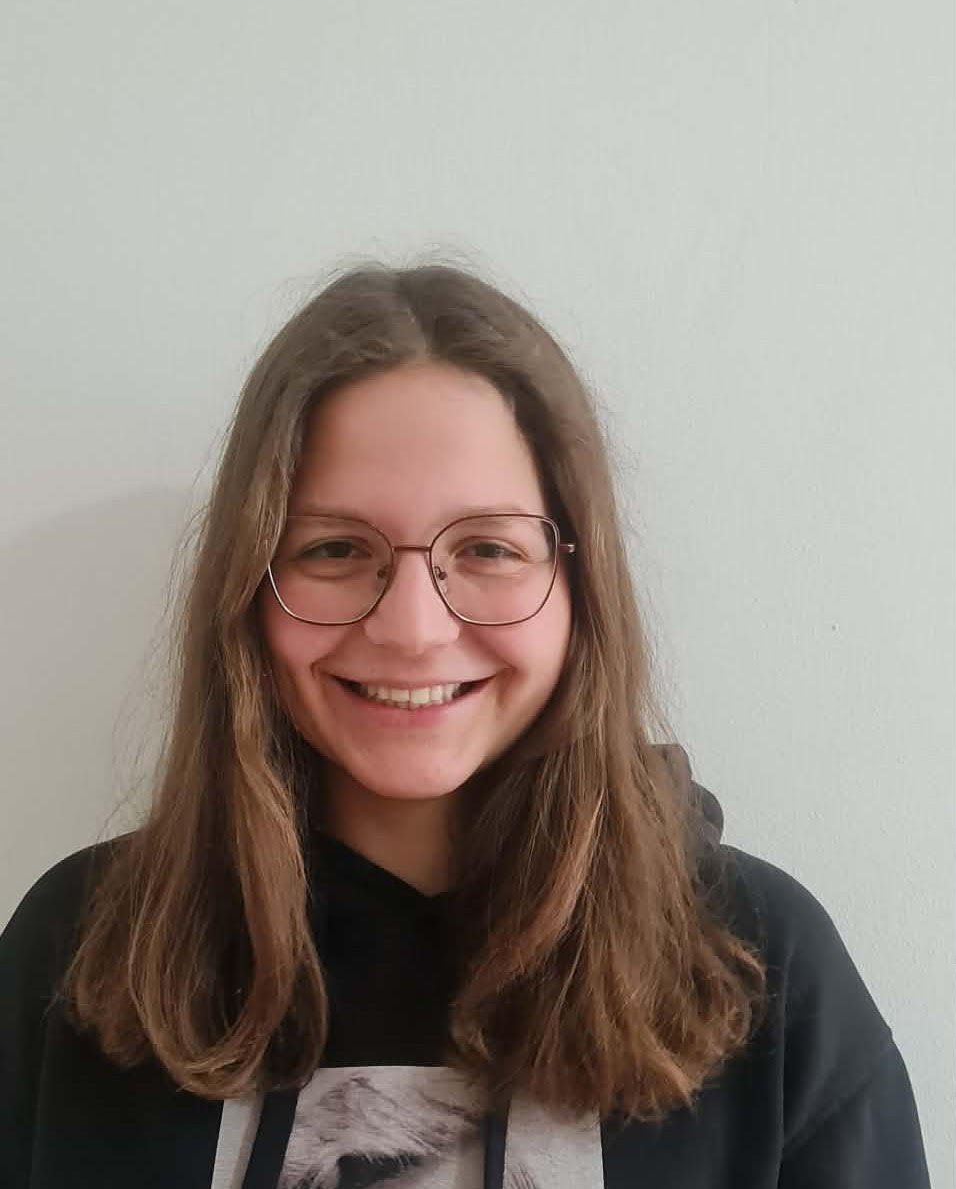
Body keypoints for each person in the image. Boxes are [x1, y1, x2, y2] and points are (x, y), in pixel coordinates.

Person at [0, 264, 930, 1188]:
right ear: (248, 587)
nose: (412, 629)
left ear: (579, 585)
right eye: (334, 548)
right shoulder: (79, 951)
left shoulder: (763, 964)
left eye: (488, 547)